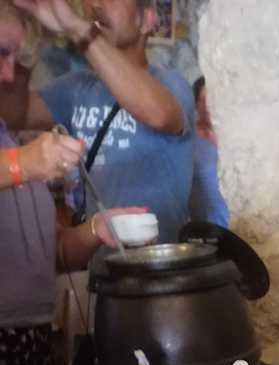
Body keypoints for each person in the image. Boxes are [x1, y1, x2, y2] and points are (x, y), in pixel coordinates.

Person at [0, 0, 145, 365]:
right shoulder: (18, 156)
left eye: (15, 58)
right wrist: (24, 163)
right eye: (2, 54)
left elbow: (52, 255)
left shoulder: (7, 136)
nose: (9, 75)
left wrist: (96, 230)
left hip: (32, 341)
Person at [11, 0, 195, 243]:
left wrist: (78, 29)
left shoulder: (171, 84)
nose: (96, 4)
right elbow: (14, 114)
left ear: (147, 20)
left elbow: (158, 115)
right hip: (100, 262)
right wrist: (24, 43)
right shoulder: (77, 87)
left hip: (160, 261)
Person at [188, 75, 228, 227]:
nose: (207, 105)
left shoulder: (233, 136)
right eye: (202, 100)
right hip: (207, 229)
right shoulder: (188, 139)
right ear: (196, 104)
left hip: (239, 225)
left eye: (212, 98)